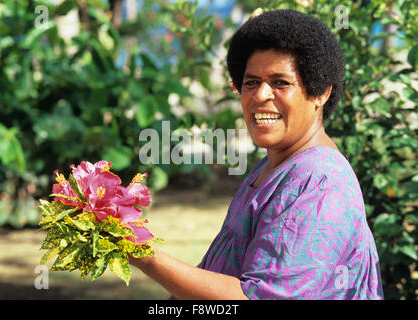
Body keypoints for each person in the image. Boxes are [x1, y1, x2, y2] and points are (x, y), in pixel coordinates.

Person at [129, 9, 384, 300]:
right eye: (251, 82)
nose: (260, 95)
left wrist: (143, 255)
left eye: (280, 83)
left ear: (320, 93)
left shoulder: (319, 184)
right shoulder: (276, 164)